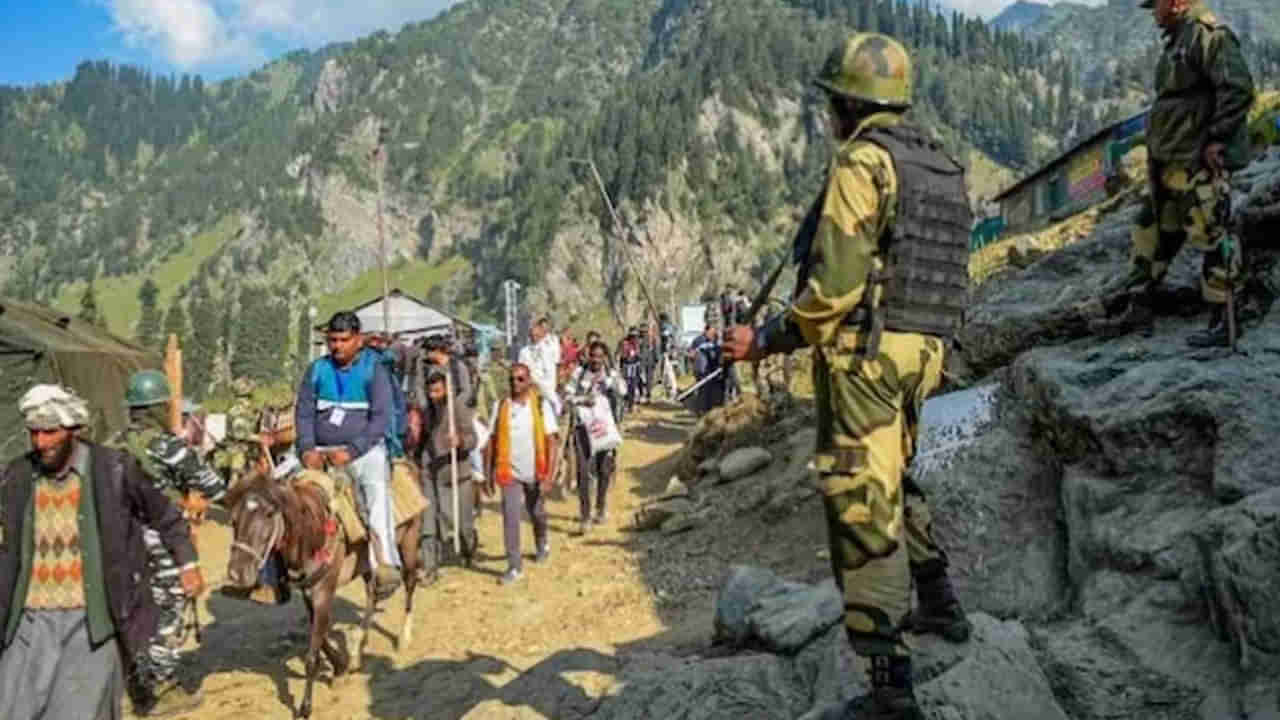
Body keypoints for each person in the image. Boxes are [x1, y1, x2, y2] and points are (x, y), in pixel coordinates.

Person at [723, 33, 973, 720]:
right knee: (896, 475)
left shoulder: (864, 162)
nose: (829, 112)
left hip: (865, 356)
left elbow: (832, 290)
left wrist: (766, 339)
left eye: (833, 100)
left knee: (861, 506)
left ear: (848, 103)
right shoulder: (940, 165)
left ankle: (891, 688)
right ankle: (942, 602)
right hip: (925, 351)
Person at [0, 385, 201, 720]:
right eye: (34, 432)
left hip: (92, 619)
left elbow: (165, 516)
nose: (41, 442)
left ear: (73, 429)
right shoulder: (19, 475)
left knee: (79, 712)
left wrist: (188, 564)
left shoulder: (113, 469)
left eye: (50, 432)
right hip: (29, 619)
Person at [1098, 0, 1255, 345]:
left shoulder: (1207, 36)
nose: (1153, 11)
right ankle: (1138, 306)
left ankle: (1223, 319)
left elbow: (1238, 88)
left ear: (1179, 2)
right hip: (1169, 162)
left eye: (1157, 4)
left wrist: (1217, 139)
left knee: (1213, 233)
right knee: (1150, 233)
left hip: (1195, 161)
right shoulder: (1178, 41)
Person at [106, 370, 226, 716]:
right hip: (163, 539)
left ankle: (133, 678)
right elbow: (215, 486)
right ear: (159, 407)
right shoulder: (169, 447)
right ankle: (161, 688)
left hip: (118, 541)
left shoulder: (109, 443)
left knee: (130, 610)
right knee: (169, 610)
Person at [295, 311, 402, 598]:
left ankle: (385, 563)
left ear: (359, 340)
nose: (337, 346)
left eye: (344, 340)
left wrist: (352, 451)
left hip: (363, 450)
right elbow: (303, 413)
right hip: (318, 450)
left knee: (377, 493)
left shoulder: (374, 370)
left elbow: (380, 419)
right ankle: (272, 573)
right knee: (281, 494)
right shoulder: (316, 370)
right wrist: (306, 449)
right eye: (332, 340)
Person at [484, 364, 559, 586]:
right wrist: (488, 474)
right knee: (510, 517)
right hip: (509, 473)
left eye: (520, 379)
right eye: (512, 380)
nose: (515, 384)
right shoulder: (500, 407)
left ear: (528, 381)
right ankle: (514, 565)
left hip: (536, 470)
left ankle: (542, 541)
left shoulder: (540, 405)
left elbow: (552, 441)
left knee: (536, 512)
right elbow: (491, 441)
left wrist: (549, 476)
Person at [418, 370, 479, 581]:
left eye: (437, 391)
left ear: (446, 390)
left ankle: (469, 547)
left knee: (461, 523)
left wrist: (460, 441)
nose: (433, 395)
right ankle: (430, 567)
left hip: (456, 474)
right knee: (429, 522)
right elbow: (422, 439)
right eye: (430, 391)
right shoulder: (427, 412)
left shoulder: (458, 409)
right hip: (431, 472)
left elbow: (473, 439)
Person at [567, 342, 627, 534]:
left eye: (600, 356)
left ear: (604, 357)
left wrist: (612, 382)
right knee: (583, 472)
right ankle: (585, 517)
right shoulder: (578, 374)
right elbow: (567, 396)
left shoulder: (611, 375)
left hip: (606, 430)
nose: (596, 360)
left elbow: (623, 391)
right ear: (588, 356)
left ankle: (600, 507)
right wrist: (582, 399)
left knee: (604, 469)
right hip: (582, 429)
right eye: (593, 356)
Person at [517, 317, 562, 415]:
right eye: (532, 335)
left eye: (537, 335)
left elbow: (552, 368)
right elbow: (521, 369)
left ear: (542, 335)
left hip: (547, 385)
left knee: (553, 407)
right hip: (531, 384)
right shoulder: (524, 351)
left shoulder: (548, 349)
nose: (534, 338)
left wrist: (552, 384)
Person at [689, 325, 726, 416]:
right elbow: (692, 354)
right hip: (701, 370)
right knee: (703, 390)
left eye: (714, 333)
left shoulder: (714, 340)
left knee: (711, 391)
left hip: (711, 370)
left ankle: (709, 409)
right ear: (706, 331)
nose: (712, 335)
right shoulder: (698, 340)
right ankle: (701, 410)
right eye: (711, 332)